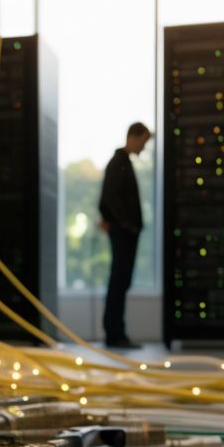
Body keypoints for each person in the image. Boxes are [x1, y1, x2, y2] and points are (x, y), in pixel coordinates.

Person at [98, 122, 152, 349]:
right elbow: (108, 198)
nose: (143, 147)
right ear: (134, 137)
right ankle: (115, 333)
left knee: (121, 281)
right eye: (144, 141)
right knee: (119, 281)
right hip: (123, 234)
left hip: (124, 232)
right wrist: (126, 224)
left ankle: (116, 332)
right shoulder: (118, 164)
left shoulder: (121, 163)